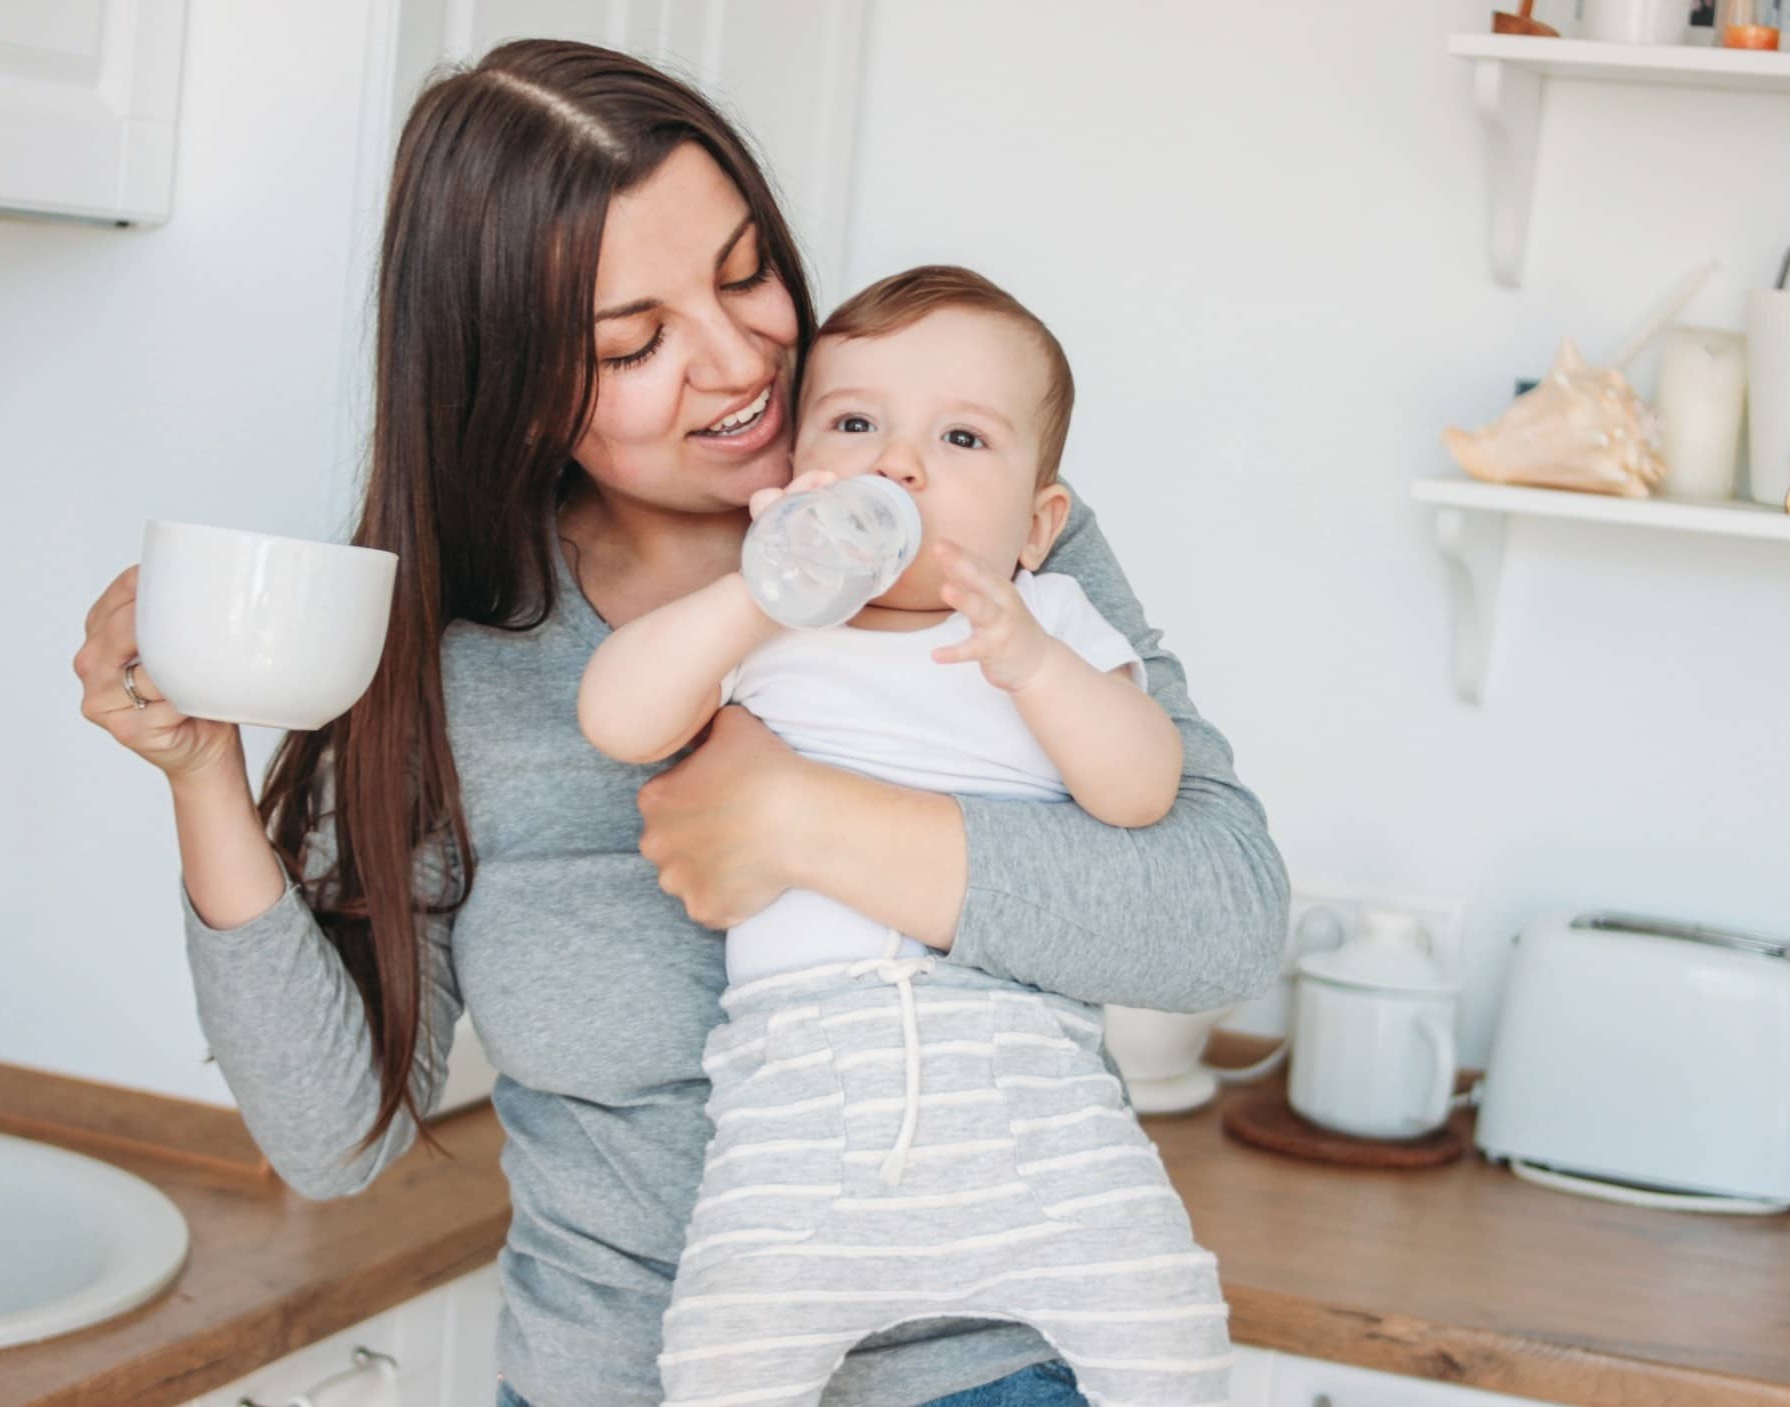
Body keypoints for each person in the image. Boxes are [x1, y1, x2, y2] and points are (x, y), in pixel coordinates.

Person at [70, 38, 1288, 1407]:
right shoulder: (458, 655)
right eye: (635, 341)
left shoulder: (974, 530)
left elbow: (1219, 916)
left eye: (744, 271)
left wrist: (799, 820)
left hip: (991, 1368)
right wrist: (199, 776)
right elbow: (332, 1133)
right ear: (516, 388)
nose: (738, 364)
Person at [577, 264, 1236, 1406]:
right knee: (721, 1359)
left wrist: (1029, 659)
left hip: (1033, 1111)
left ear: (1036, 525)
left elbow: (1141, 791)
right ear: (794, 473)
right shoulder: (769, 630)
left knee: (1170, 1331)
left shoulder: (1054, 625)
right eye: (854, 423)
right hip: (798, 1116)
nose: (897, 463)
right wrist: (761, 588)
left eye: (960, 441)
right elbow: (618, 716)